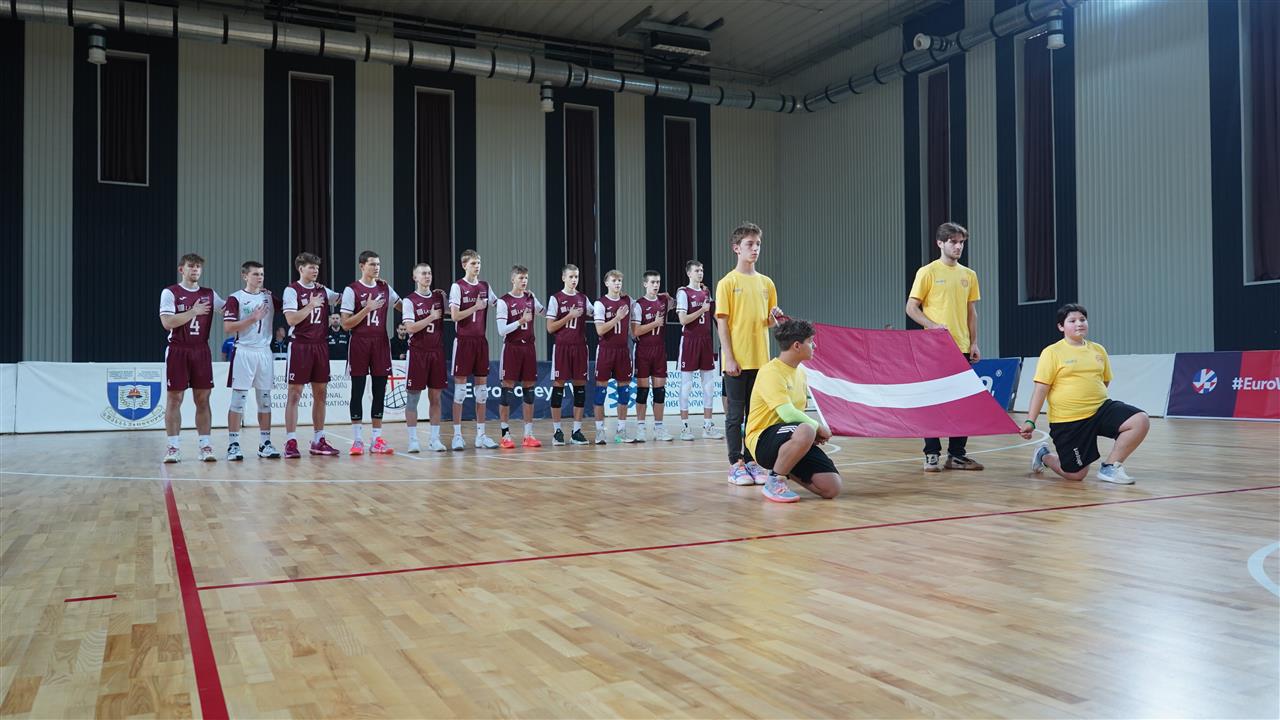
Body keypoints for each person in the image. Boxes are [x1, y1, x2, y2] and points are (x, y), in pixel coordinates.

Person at [1020, 304, 1150, 484]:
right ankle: (1044, 455)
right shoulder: (1051, 352)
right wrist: (1030, 421)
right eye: (1072, 321)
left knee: (1140, 420)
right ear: (1061, 327)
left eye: (1082, 319)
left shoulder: (1098, 350)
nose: (1079, 323)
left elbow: (1104, 380)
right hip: (1068, 420)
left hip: (1099, 410)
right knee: (1076, 475)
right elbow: (1041, 389)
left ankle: (1111, 467)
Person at [905, 222, 985, 473]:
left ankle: (957, 455)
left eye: (961, 242)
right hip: (934, 348)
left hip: (962, 346)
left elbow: (971, 312)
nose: (958, 246)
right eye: (953, 242)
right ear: (940, 243)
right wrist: (932, 326)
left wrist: (973, 342)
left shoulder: (969, 275)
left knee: (962, 403)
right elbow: (911, 308)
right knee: (933, 402)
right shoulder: (927, 272)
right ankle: (931, 454)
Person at [746, 319, 843, 503]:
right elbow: (788, 414)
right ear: (797, 345)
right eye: (810, 341)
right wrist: (816, 428)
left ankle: (785, 465)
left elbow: (797, 417)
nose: (814, 346)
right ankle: (774, 481)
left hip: (788, 437)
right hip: (762, 440)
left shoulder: (801, 374)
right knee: (806, 429)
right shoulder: (771, 372)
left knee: (832, 487)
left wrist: (809, 436)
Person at [715, 222, 781, 486]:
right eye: (749, 244)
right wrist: (729, 357)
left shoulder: (767, 283)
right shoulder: (727, 283)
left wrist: (774, 318)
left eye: (758, 244)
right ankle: (736, 464)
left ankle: (752, 461)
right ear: (736, 248)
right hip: (737, 361)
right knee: (735, 415)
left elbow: (768, 322)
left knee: (756, 416)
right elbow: (722, 323)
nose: (755, 249)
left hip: (761, 361)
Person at [158, 253, 224, 463]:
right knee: (174, 398)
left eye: (198, 267)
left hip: (201, 350)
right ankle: (173, 447)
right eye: (191, 266)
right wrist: (193, 311)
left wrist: (253, 296)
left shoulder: (209, 294)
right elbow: (167, 322)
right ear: (182, 269)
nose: (195, 269)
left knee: (203, 399)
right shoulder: (170, 292)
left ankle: (205, 446)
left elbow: (228, 309)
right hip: (178, 349)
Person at [281, 252, 342, 458]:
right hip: (300, 345)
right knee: (294, 394)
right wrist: (310, 305)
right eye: (311, 267)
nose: (315, 270)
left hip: (320, 346)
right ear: (301, 269)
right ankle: (290, 441)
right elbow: (291, 320)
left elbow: (344, 297)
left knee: (321, 394)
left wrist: (370, 282)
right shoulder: (292, 290)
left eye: (317, 267)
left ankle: (318, 439)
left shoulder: (322, 290)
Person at [341, 250, 399, 455]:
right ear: (362, 266)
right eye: (372, 264)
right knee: (357, 390)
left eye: (378, 264)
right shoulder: (352, 290)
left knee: (379, 390)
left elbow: (403, 306)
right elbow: (345, 324)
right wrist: (367, 309)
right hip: (359, 342)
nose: (377, 268)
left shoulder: (385, 287)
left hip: (380, 343)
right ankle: (357, 440)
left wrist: (428, 296)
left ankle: (376, 439)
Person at [222, 261, 280, 460]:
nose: (260, 277)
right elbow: (228, 328)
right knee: (238, 401)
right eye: (255, 274)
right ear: (245, 276)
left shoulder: (269, 297)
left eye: (261, 274)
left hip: (264, 352)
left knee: (265, 400)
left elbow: (292, 307)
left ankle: (265, 443)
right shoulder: (235, 298)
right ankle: (233, 445)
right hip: (244, 352)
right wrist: (253, 318)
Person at [449, 249, 500, 450]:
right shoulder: (458, 286)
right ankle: (457, 436)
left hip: (481, 342)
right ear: (464, 265)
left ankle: (481, 436)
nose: (477, 266)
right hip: (463, 342)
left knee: (482, 393)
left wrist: (519, 295)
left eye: (478, 263)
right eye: (473, 263)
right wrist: (475, 307)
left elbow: (498, 304)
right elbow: (454, 316)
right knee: (460, 392)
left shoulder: (485, 286)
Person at [401, 262, 449, 453]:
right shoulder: (409, 300)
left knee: (436, 398)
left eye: (429, 273)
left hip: (436, 352)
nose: (427, 276)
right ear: (415, 277)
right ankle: (413, 440)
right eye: (423, 273)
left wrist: (446, 298)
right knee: (413, 398)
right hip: (417, 353)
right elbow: (410, 328)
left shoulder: (438, 297)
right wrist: (430, 317)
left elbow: (452, 313)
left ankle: (434, 439)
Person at [496, 265, 545, 448]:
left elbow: (546, 312)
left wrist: (539, 301)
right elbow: (501, 330)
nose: (524, 281)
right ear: (512, 279)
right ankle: (505, 435)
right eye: (520, 278)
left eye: (526, 278)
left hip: (529, 348)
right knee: (507, 390)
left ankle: (528, 434)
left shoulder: (530, 299)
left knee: (529, 391)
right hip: (512, 348)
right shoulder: (504, 301)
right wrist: (521, 321)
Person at [676, 260, 723, 442]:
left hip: (706, 341)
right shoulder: (683, 293)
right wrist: (702, 310)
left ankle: (707, 426)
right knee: (686, 386)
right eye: (697, 270)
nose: (700, 273)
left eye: (702, 270)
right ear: (689, 273)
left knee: (709, 386)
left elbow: (714, 316)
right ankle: (684, 426)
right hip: (690, 341)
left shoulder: (706, 292)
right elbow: (682, 320)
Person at [546, 264, 591, 446]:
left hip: (580, 347)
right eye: (571, 276)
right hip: (562, 347)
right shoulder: (556, 299)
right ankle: (557, 431)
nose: (574, 280)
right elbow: (550, 328)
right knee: (558, 386)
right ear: (563, 278)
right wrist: (569, 316)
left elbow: (599, 313)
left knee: (580, 388)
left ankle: (576, 431)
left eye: (576, 277)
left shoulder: (583, 299)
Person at [630, 270, 675, 442]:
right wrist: (654, 324)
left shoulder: (664, 301)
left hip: (659, 350)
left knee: (660, 391)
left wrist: (671, 297)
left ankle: (659, 427)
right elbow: (635, 332)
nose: (656, 285)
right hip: (643, 351)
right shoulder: (639, 304)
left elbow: (679, 303)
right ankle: (641, 428)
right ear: (645, 284)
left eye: (658, 282)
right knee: (642, 391)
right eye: (652, 282)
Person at [593, 270, 634, 444]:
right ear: (606, 283)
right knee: (600, 392)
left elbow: (645, 302)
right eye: (614, 280)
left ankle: (621, 431)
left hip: (623, 351)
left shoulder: (628, 301)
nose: (617, 283)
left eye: (619, 280)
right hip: (606, 350)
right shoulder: (600, 303)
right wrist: (617, 318)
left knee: (624, 392)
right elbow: (600, 330)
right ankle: (599, 431)